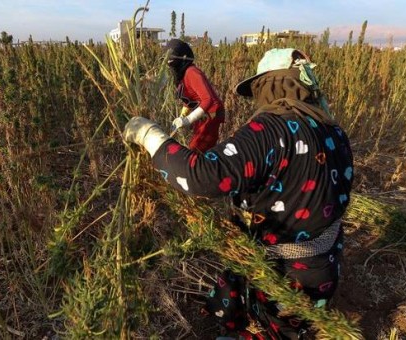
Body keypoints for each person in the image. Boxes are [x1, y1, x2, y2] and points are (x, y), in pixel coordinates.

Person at [124, 48, 354, 339]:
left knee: (275, 333)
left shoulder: (270, 130)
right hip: (324, 267)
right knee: (283, 324)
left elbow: (201, 176)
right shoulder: (332, 129)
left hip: (284, 274)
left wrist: (150, 136)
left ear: (270, 85)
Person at [165, 39, 225, 153]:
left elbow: (208, 99)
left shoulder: (192, 72)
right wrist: (182, 117)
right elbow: (189, 99)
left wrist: (188, 120)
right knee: (197, 146)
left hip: (211, 114)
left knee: (197, 148)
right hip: (202, 114)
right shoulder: (182, 76)